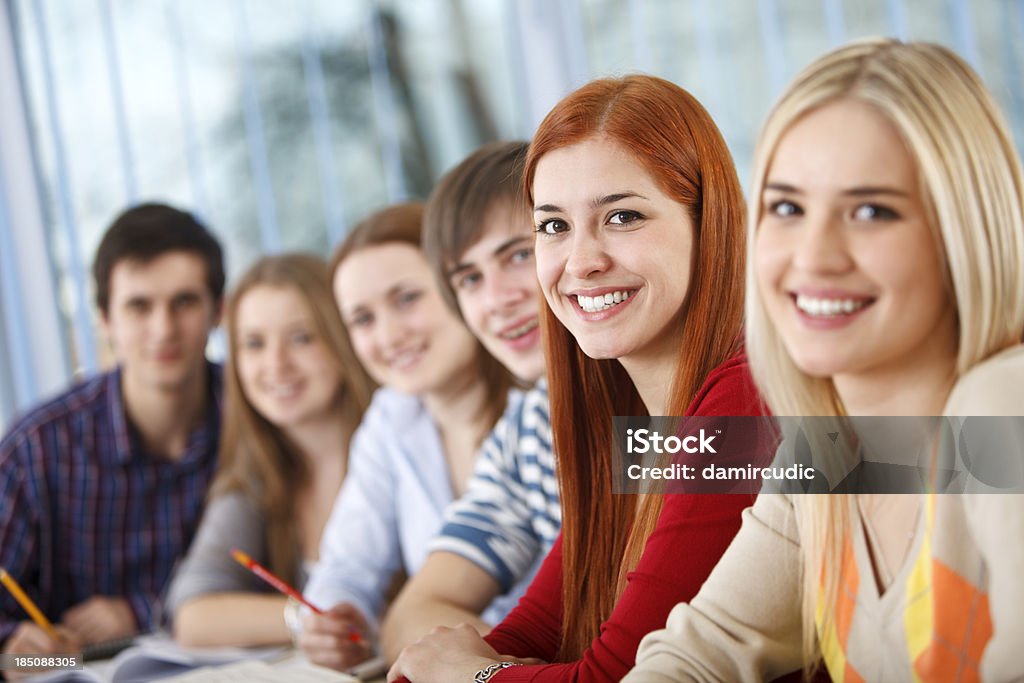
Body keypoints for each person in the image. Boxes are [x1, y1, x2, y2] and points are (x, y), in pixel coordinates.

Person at [624, 38, 1024, 682]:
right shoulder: (827, 453)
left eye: (870, 211)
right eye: (787, 207)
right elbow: (702, 656)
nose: (813, 256)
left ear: (963, 232)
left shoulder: (1005, 403)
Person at [389, 74, 768, 683]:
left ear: (710, 224)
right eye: (553, 226)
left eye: (621, 216)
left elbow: (616, 678)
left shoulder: (748, 402)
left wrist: (475, 676)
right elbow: (531, 634)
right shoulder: (634, 430)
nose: (581, 261)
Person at [0, 203, 225, 660]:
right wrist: (16, 654)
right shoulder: (37, 448)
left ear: (217, 311)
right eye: (139, 306)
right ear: (105, 320)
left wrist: (142, 611)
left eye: (184, 302)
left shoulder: (257, 417)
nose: (163, 329)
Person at [298, 202, 517, 670]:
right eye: (362, 319)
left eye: (406, 299)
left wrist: (439, 643)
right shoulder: (392, 418)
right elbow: (347, 564)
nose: (390, 335)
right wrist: (333, 617)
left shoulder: (538, 403)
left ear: (462, 286)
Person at [380, 142, 561, 660]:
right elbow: (416, 612)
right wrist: (501, 670)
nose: (497, 301)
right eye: (470, 279)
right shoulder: (528, 426)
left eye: (519, 255)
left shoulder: (700, 409)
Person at [166, 254, 373, 647]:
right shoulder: (258, 475)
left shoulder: (394, 451)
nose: (276, 365)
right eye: (254, 344)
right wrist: (302, 620)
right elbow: (192, 615)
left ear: (341, 338)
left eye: (301, 338)